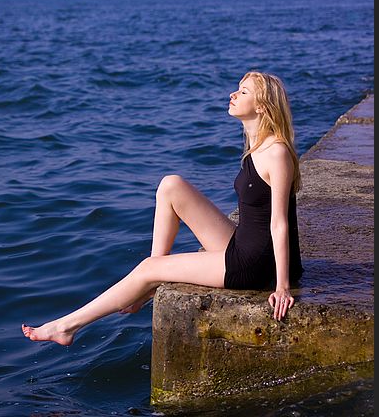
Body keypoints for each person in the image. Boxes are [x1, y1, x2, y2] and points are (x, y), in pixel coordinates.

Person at [22, 71, 303, 346]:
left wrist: (282, 286)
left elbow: (280, 223)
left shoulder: (276, 152)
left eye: (243, 92)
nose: (232, 94)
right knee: (171, 186)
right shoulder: (256, 147)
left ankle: (66, 326)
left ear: (262, 106)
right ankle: (154, 279)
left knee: (147, 268)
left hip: (253, 264)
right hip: (245, 243)